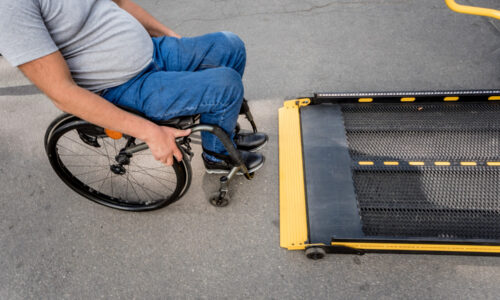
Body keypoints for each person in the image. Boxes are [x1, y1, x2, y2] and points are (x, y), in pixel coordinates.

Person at [0, 0, 267, 173]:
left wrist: (175, 41)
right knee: (226, 85)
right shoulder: (10, 9)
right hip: (123, 85)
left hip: (153, 51)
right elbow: (61, 93)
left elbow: (121, 3)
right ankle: (217, 157)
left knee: (230, 46)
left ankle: (222, 131)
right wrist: (151, 132)